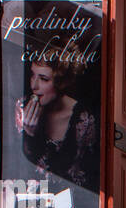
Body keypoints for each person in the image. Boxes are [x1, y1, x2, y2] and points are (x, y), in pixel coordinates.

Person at [14, 60, 100, 195]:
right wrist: (30, 135)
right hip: (31, 198)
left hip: (72, 200)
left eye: (43, 79)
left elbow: (80, 172)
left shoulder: (83, 119)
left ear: (61, 82)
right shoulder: (22, 107)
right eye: (32, 75)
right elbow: (18, 164)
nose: (33, 85)